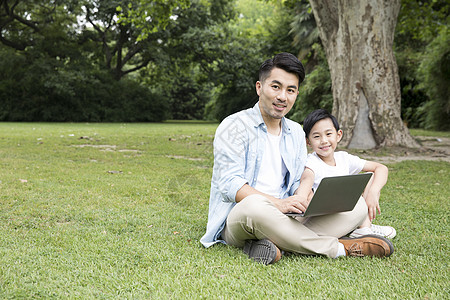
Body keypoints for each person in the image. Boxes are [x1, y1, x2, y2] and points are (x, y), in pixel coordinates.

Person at [200, 52, 394, 265]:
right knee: (254, 205)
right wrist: (278, 204)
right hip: (242, 217)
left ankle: (272, 243)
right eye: (276, 87)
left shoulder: (295, 132)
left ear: (296, 94)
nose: (283, 96)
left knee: (356, 205)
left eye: (290, 90)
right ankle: (339, 248)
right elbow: (230, 184)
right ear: (259, 87)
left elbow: (296, 182)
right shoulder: (234, 126)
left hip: (290, 217)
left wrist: (307, 197)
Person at [299, 108, 396, 239]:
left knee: (371, 177)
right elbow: (305, 186)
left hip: (346, 210)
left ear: (338, 135)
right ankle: (360, 228)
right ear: (308, 142)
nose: (324, 141)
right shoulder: (311, 163)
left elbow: (381, 168)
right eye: (317, 136)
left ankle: (364, 228)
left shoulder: (343, 158)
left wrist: (373, 192)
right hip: (324, 219)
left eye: (328, 134)